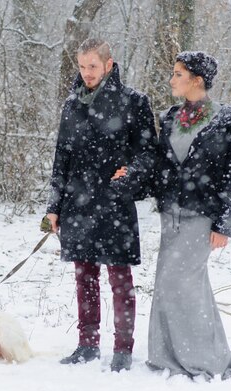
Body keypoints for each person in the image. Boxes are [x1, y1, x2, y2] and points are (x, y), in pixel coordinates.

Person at [112, 51, 231, 379]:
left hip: (202, 217)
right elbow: (160, 166)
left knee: (179, 282)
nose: (171, 80)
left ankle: (201, 360)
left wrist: (225, 223)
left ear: (197, 80)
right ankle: (170, 357)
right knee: (174, 284)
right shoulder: (170, 117)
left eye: (178, 74)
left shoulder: (230, 120)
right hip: (171, 215)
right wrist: (131, 175)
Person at [46, 38, 157, 372]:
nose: (86, 73)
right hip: (77, 202)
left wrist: (131, 173)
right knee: (85, 277)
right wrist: (54, 205)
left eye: (92, 66)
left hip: (113, 201)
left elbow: (148, 152)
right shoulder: (73, 102)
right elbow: (61, 156)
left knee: (120, 278)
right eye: (81, 66)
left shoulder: (133, 101)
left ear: (109, 64)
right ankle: (87, 344)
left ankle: (123, 348)